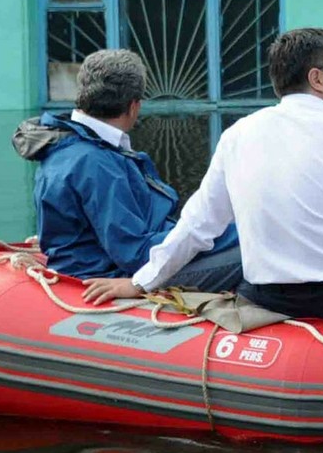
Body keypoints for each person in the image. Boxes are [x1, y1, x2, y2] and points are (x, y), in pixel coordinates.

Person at [82, 28, 323, 317]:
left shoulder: (237, 135)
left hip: (267, 294)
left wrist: (140, 282)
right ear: (317, 78)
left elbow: (198, 225)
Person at [12, 49, 243, 292]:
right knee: (252, 248)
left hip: (111, 259)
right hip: (112, 275)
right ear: (134, 106)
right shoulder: (95, 163)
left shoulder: (68, 146)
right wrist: (233, 230)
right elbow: (136, 253)